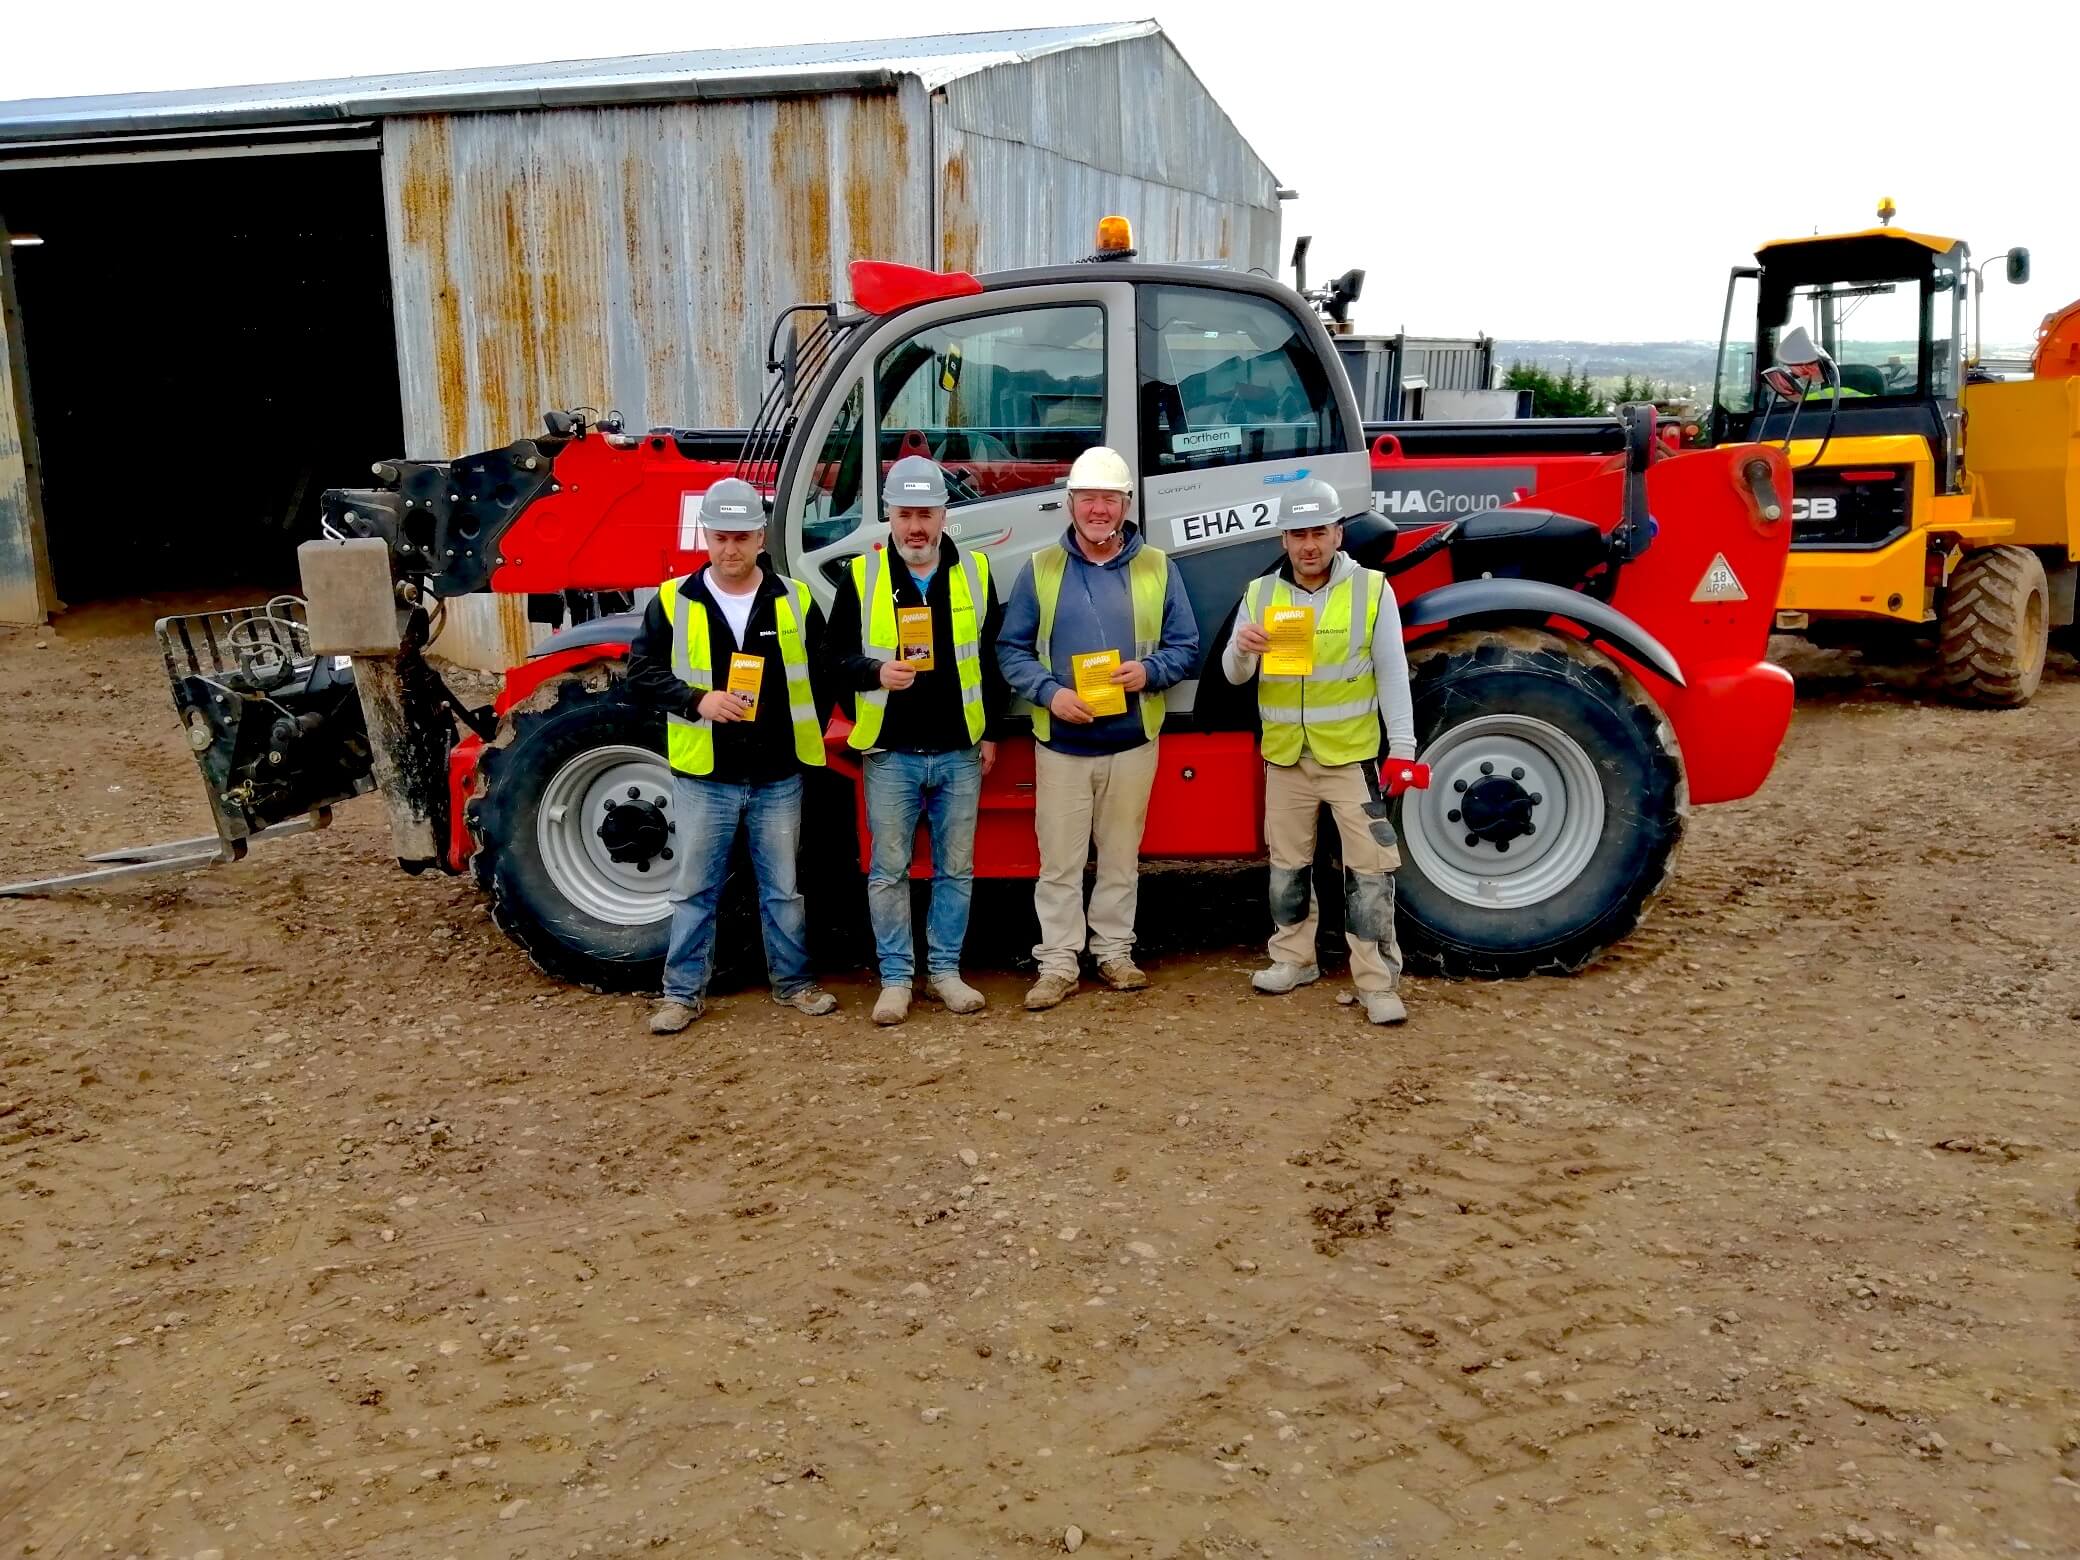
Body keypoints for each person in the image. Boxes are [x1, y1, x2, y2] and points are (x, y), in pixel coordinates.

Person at [627, 477, 839, 1033]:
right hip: (706, 774)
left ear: (760, 537)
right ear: (706, 535)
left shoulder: (794, 598)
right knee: (694, 891)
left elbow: (824, 671)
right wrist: (699, 700)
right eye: (720, 537)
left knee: (783, 891)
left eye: (742, 537)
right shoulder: (673, 602)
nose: (731, 549)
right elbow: (642, 674)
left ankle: (793, 984)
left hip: (777, 774)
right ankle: (681, 995)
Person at [996, 446, 1199, 1010]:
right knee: (1058, 862)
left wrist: (1150, 672)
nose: (1098, 509)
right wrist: (1051, 694)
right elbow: (1011, 650)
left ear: (1126, 504)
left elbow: (1186, 645)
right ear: (1070, 505)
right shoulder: (1040, 569)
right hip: (1061, 745)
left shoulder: (1159, 567)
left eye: (1109, 498)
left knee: (1118, 858)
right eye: (1088, 498)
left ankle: (1113, 952)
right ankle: (1058, 962)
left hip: (1132, 741)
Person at [1221, 477, 1420, 1025]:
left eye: (1320, 532)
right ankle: (1292, 958)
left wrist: (1401, 747)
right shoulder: (1261, 596)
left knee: (1371, 871)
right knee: (1287, 868)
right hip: (1286, 759)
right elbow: (1234, 677)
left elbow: (1392, 676)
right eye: (1298, 534)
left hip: (1350, 760)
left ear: (1338, 533)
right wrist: (1242, 649)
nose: (1309, 544)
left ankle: (1377, 982)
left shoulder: (1373, 590)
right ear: (1283, 540)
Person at [825, 455, 1009, 1026]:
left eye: (926, 514)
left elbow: (992, 659)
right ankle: (897, 979)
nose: (916, 527)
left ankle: (946, 974)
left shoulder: (975, 572)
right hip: (891, 754)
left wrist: (993, 732)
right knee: (889, 871)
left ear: (943, 515)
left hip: (959, 750)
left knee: (956, 870)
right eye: (905, 515)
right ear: (888, 518)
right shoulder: (863, 577)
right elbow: (831, 660)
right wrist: (874, 673)